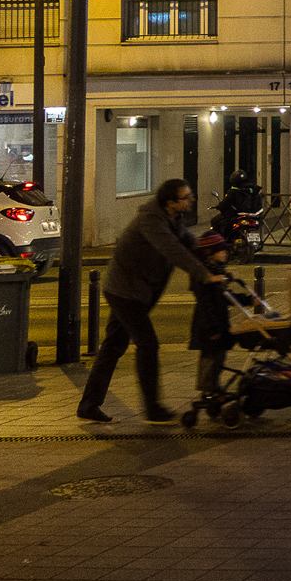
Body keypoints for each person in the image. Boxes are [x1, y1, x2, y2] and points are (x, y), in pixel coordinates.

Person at [77, 178, 223, 424]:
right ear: (170, 202)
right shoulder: (151, 221)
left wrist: (209, 255)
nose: (191, 200)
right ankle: (153, 408)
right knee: (148, 344)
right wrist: (204, 274)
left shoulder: (173, 218)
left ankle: (89, 404)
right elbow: (172, 250)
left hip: (136, 291)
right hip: (125, 291)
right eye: (185, 197)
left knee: (113, 347)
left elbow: (187, 242)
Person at [186, 230, 248, 402]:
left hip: (218, 322)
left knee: (219, 356)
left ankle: (214, 388)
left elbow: (226, 297)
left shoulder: (217, 271)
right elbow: (206, 304)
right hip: (208, 325)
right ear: (210, 253)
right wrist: (212, 328)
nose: (226, 253)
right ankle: (208, 391)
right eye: (222, 250)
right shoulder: (204, 276)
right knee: (210, 358)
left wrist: (247, 300)